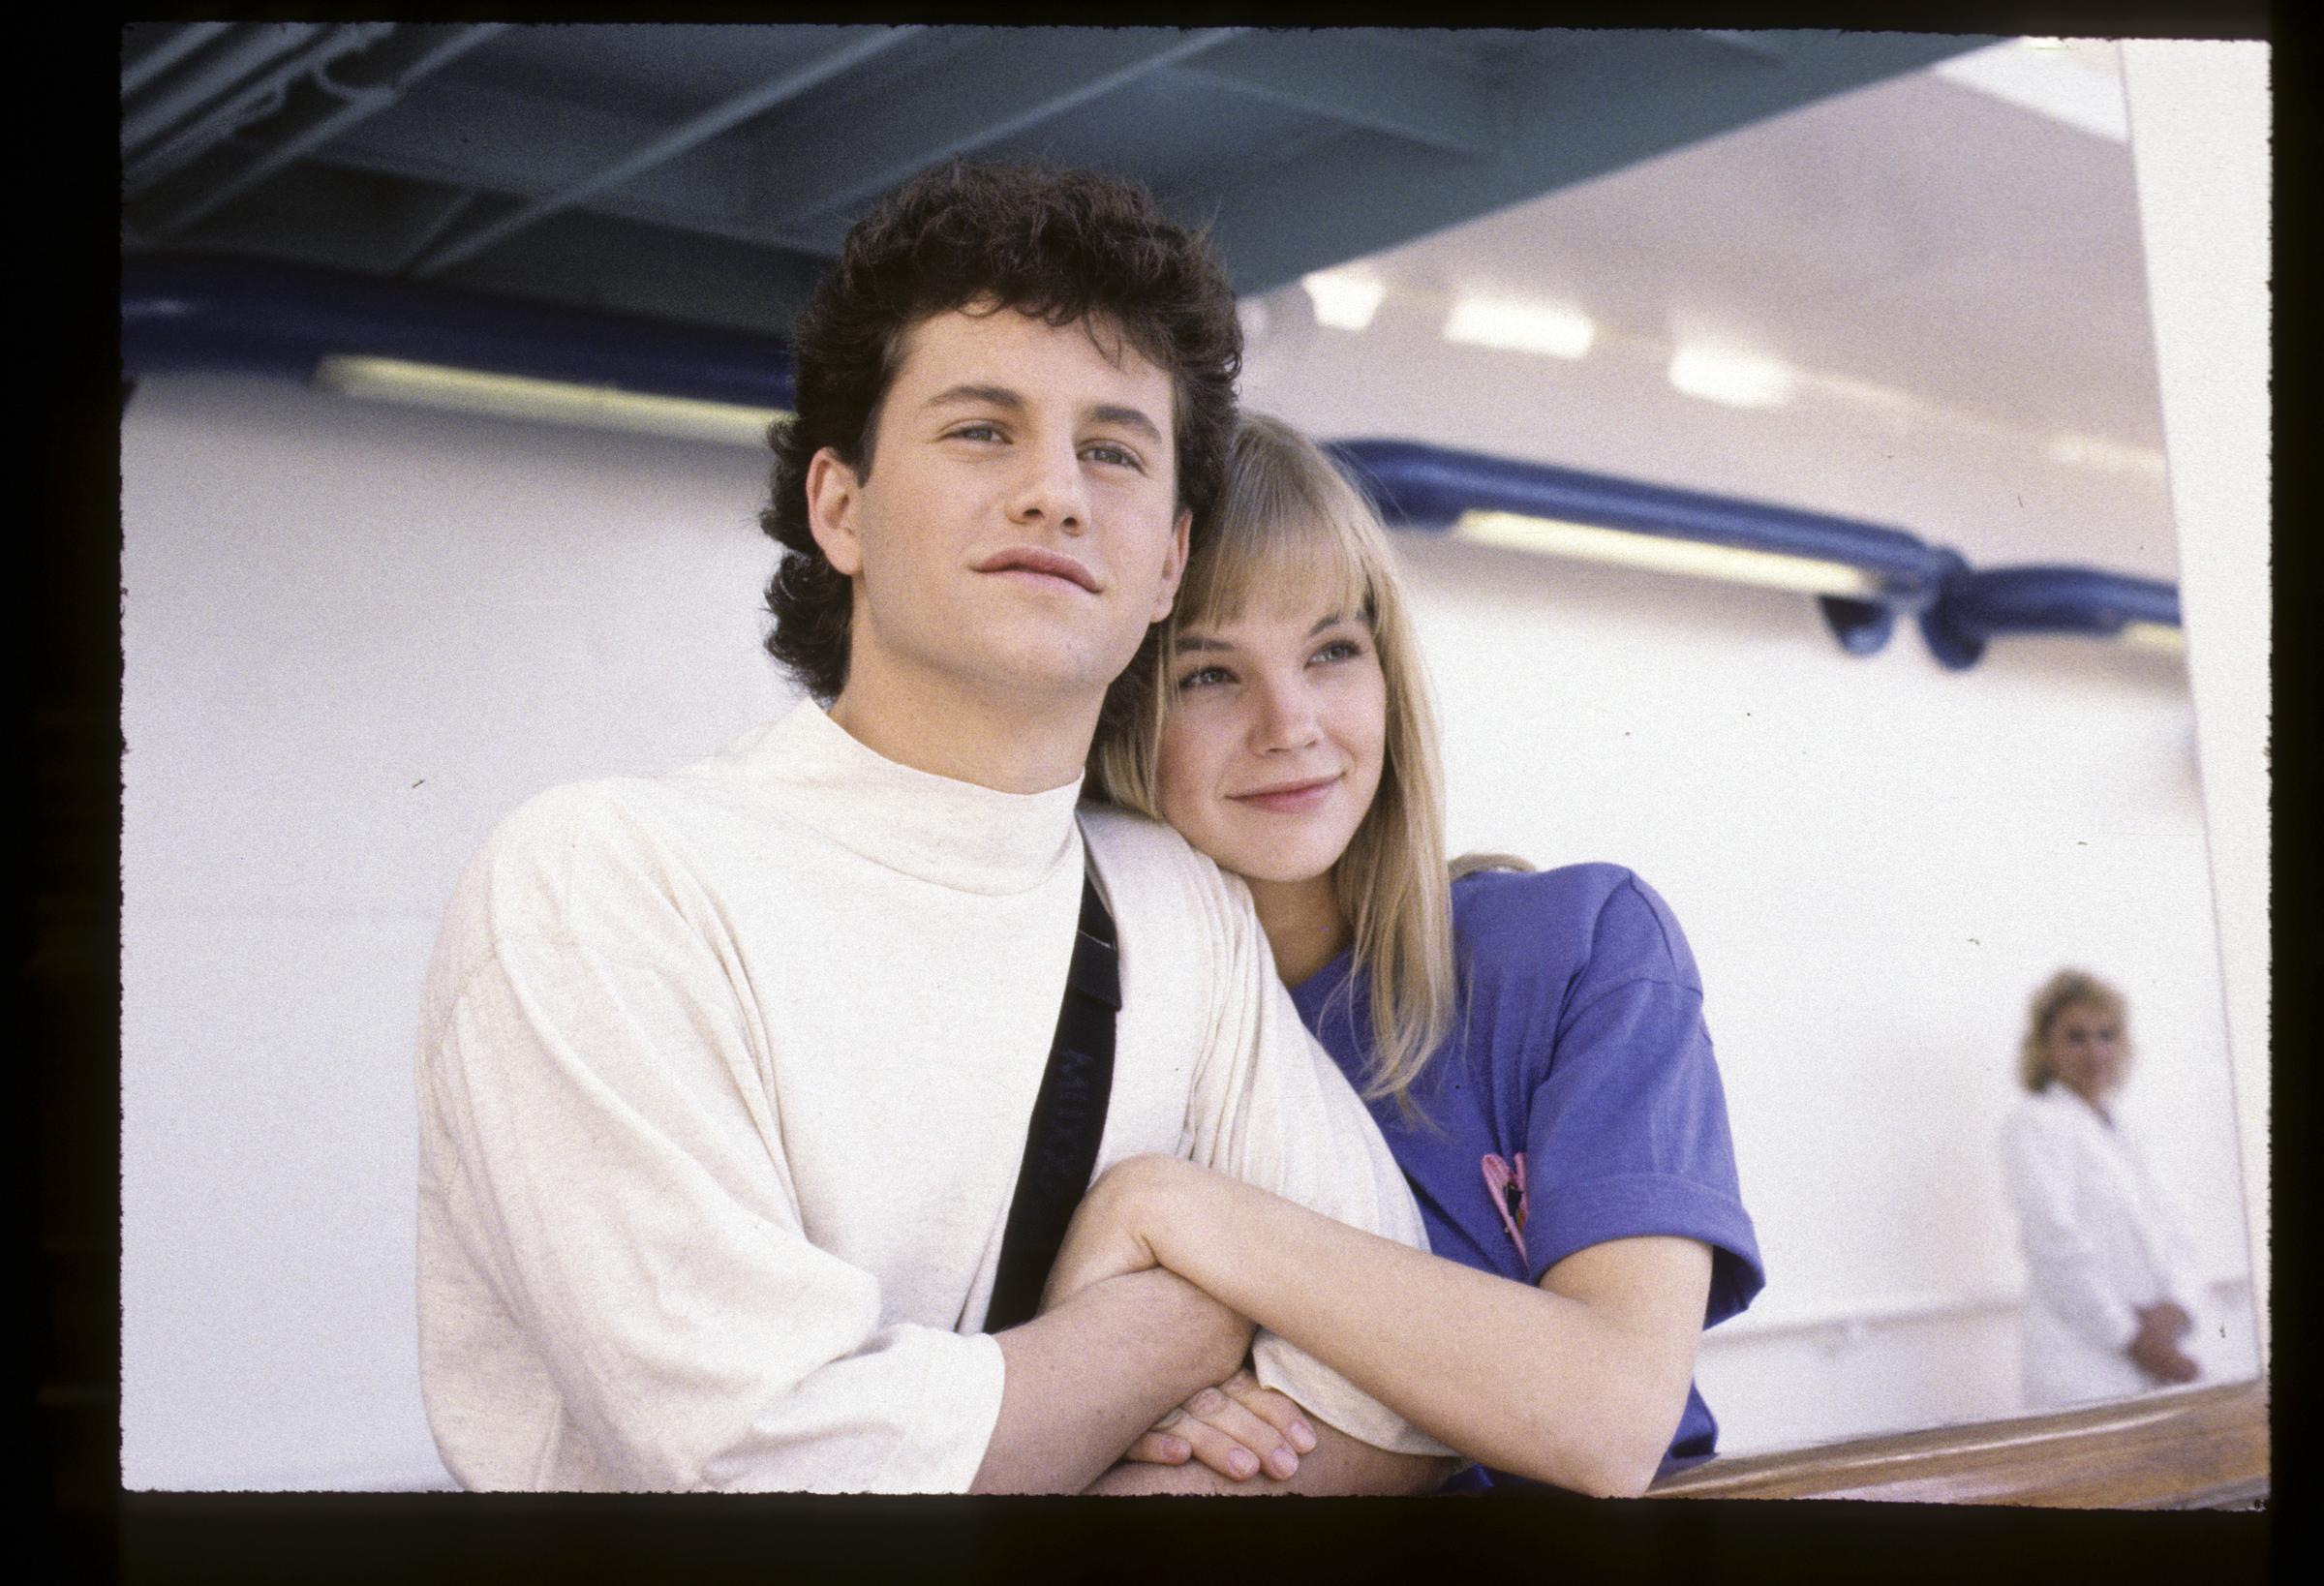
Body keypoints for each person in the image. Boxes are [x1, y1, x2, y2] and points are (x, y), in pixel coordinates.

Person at [413, 164, 1453, 1495]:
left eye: (1115, 450)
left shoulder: (1173, 906)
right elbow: (771, 1474)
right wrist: (1180, 1321)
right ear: (838, 508)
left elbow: (1400, 1385)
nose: (1056, 494)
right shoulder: (606, 882)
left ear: (1168, 563)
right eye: (981, 431)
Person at [1063, 412, 1764, 1496]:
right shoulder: (1092, 1034)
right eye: (1209, 674)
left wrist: (1175, 1211)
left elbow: (1610, 1416)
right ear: (1120, 716)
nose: (1290, 722)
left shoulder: (1579, 951)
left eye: (1332, 651)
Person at [2000, 968, 2204, 1411]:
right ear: (2045, 1049)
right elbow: (2055, 1245)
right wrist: (2132, 1339)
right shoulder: (2034, 1125)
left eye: (2107, 1035)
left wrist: (2178, 1309)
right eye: (2076, 1037)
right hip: (2084, 1363)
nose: (2094, 1052)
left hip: (2160, 1348)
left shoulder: (2132, 1130)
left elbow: (2176, 1232)